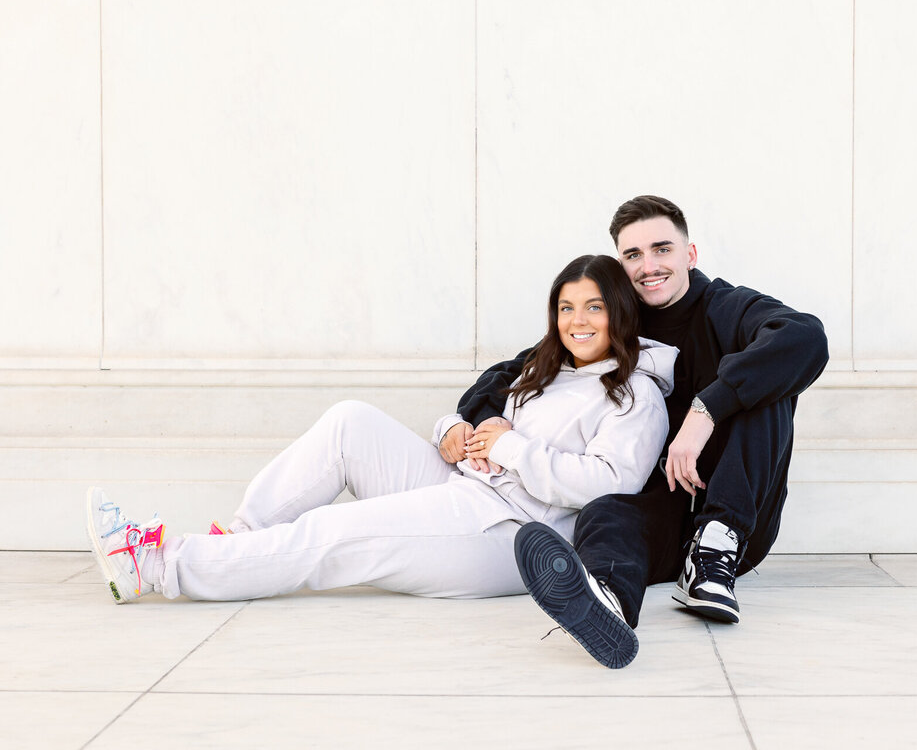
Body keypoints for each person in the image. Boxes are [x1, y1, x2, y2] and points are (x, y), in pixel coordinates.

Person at [85, 254, 674, 609]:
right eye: (566, 308)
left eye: (593, 307)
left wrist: (512, 447)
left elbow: (607, 486)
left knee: (335, 531)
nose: (577, 321)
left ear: (618, 311)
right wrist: (457, 430)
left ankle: (159, 567)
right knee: (349, 422)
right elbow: (488, 426)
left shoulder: (636, 394)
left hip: (510, 532)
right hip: (467, 488)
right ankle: (237, 540)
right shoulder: (547, 369)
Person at [457, 195, 828, 668]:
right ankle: (605, 602)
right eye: (633, 255)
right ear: (620, 263)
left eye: (662, 250)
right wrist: (485, 418)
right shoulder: (615, 317)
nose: (648, 266)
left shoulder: (725, 307)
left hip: (736, 515)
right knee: (605, 512)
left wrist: (705, 410)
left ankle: (713, 553)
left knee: (773, 374)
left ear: (689, 255)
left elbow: (806, 336)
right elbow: (518, 368)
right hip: (660, 511)